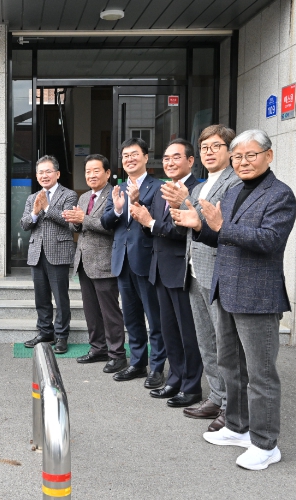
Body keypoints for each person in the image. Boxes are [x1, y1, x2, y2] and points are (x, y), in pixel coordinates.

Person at [172, 129, 296, 470]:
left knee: (261, 374)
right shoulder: (234, 190)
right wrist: (199, 226)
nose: (243, 162)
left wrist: (219, 227)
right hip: (225, 289)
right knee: (230, 365)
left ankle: (266, 443)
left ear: (268, 156)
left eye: (251, 155)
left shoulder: (280, 194)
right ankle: (238, 427)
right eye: (238, 156)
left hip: (258, 296)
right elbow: (218, 236)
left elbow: (269, 240)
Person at [170, 125, 240, 431]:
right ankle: (216, 396)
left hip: (219, 273)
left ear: (230, 151)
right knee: (206, 340)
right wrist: (178, 206)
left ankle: (231, 406)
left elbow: (215, 224)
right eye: (204, 148)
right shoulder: (199, 188)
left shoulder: (235, 182)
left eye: (215, 146)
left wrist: (187, 205)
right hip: (194, 271)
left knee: (225, 344)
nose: (209, 153)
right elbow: (186, 225)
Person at [130, 139, 202, 408]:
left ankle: (192, 387)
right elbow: (155, 227)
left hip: (182, 271)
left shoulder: (196, 190)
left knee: (187, 333)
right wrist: (143, 217)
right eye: (166, 158)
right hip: (159, 269)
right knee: (169, 330)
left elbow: (181, 231)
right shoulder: (164, 189)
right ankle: (175, 379)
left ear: (190, 161)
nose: (170, 163)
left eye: (176, 157)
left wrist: (149, 222)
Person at [101, 138, 166, 389]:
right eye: (125, 155)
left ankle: (157, 368)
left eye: (134, 154)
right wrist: (118, 210)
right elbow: (106, 222)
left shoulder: (158, 187)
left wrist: (139, 204)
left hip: (147, 260)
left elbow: (157, 222)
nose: (129, 159)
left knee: (154, 317)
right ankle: (138, 363)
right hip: (122, 260)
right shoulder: (117, 188)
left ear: (146, 157)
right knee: (131, 317)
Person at [62, 154, 126, 373]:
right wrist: (74, 221)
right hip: (83, 261)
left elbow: (111, 226)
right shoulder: (84, 197)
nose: (91, 175)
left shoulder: (114, 195)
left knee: (110, 312)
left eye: (96, 171)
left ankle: (117, 354)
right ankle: (98, 348)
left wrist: (84, 220)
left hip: (104, 262)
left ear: (107, 173)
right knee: (91, 310)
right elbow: (79, 228)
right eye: (88, 171)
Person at [20, 155, 78, 354]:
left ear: (57, 174)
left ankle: (61, 335)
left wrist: (46, 207)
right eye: (40, 172)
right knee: (41, 297)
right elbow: (25, 224)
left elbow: (68, 221)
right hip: (37, 252)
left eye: (48, 171)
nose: (44, 176)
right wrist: (35, 212)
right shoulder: (32, 198)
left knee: (61, 298)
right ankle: (45, 332)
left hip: (59, 252)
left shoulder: (69, 195)